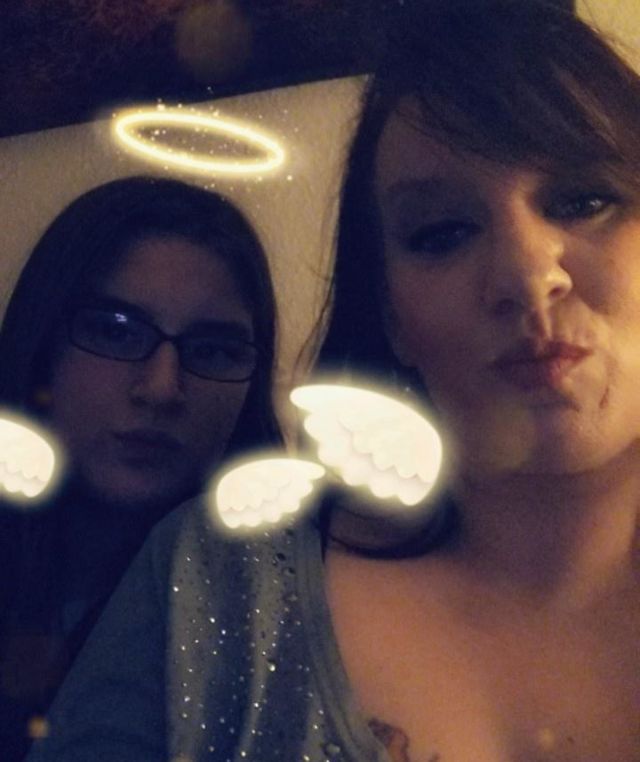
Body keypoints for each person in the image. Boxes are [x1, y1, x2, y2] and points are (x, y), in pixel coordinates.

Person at [26, 2, 640, 760]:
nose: (525, 274)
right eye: (442, 233)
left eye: (583, 201)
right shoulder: (219, 583)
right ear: (389, 313)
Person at [0, 175, 282, 760]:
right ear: (42, 345)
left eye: (213, 350)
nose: (160, 389)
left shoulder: (284, 611)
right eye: (115, 331)